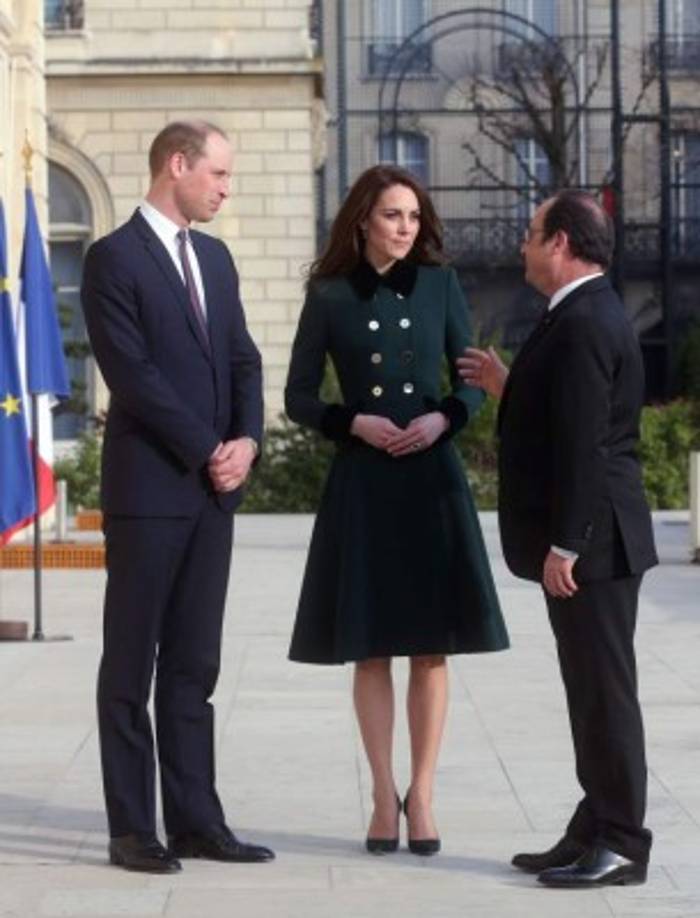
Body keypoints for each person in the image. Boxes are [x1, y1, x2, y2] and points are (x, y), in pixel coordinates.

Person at [285, 164, 509, 856]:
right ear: (363, 220)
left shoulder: (441, 287)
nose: (406, 228)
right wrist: (352, 424)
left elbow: (472, 383)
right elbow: (297, 396)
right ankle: (384, 795)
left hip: (430, 480)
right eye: (392, 215)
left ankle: (426, 794)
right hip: (365, 480)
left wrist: (446, 420)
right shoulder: (327, 295)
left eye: (413, 216)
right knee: (373, 646)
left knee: (431, 646)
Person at [81, 120, 274, 873]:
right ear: (178, 164)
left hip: (211, 497)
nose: (227, 188)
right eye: (219, 175)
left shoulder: (217, 261)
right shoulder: (112, 259)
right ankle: (133, 829)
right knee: (132, 666)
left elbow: (244, 361)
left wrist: (247, 443)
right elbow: (133, 378)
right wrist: (208, 450)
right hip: (150, 493)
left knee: (195, 666)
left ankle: (197, 821)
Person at [458, 189, 657, 888]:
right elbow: (564, 414)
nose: (523, 243)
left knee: (605, 693)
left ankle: (624, 841)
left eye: (532, 232)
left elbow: (584, 446)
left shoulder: (583, 322)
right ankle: (594, 825)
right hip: (596, 535)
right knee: (589, 689)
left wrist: (566, 543)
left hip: (596, 541)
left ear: (562, 245)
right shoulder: (578, 313)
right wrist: (509, 385)